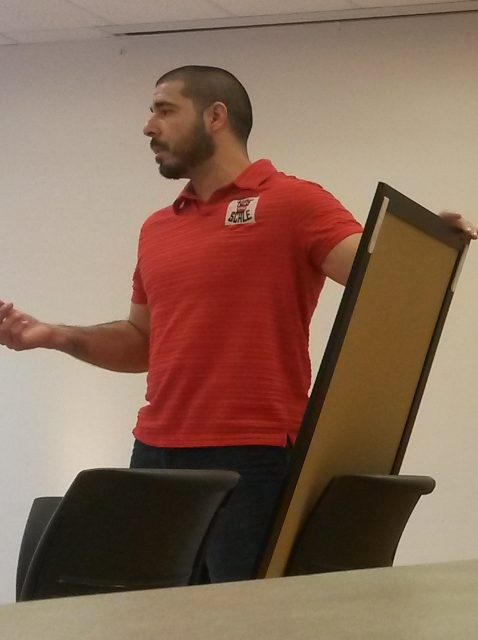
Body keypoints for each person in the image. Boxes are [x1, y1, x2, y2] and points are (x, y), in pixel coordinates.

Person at [0, 66, 476, 583]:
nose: (149, 126)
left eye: (164, 110)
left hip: (253, 454)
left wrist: (430, 243)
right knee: (152, 616)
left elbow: (384, 279)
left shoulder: (293, 202)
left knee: (249, 617)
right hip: (156, 452)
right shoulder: (158, 228)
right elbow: (142, 343)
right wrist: (55, 336)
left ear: (216, 116)